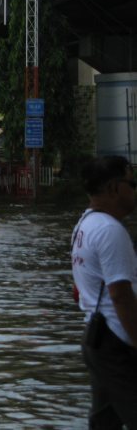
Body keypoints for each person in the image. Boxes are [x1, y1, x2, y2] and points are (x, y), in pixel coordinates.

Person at [71, 155, 137, 428]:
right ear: (113, 188)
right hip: (116, 342)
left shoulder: (85, 225)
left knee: (104, 421)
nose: (134, 191)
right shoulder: (110, 230)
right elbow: (120, 294)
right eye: (131, 184)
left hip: (96, 338)